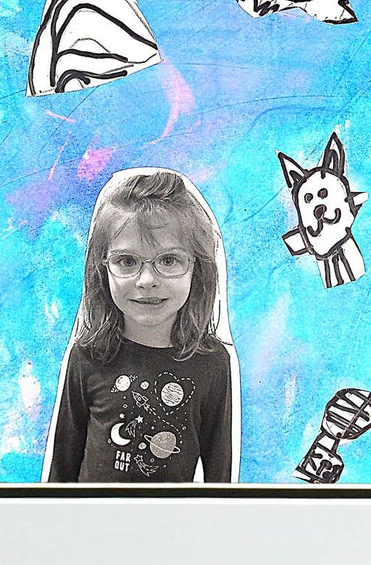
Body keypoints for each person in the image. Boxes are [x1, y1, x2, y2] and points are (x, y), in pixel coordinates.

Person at [43, 169, 238, 483]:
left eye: (169, 260)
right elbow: (61, 472)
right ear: (102, 268)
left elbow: (220, 479)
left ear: (197, 268)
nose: (147, 280)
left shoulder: (212, 362)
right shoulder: (87, 356)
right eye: (127, 261)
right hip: (89, 517)